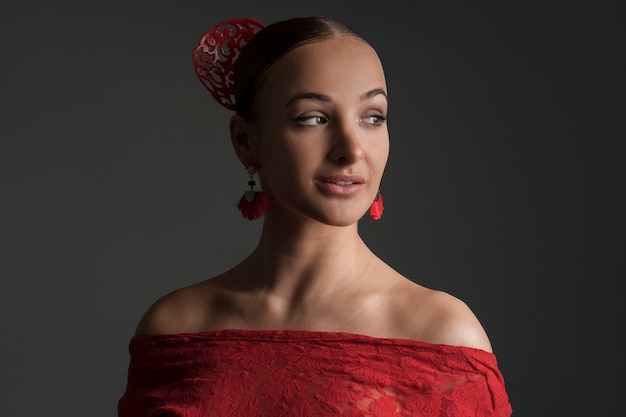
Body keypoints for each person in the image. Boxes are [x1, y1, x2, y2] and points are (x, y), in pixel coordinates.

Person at [118, 16, 512, 417]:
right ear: (244, 141)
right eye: (313, 118)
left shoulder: (441, 335)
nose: (351, 149)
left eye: (372, 117)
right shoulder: (174, 328)